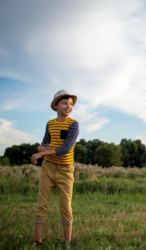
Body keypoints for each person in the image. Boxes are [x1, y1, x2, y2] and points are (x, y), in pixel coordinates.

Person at [31, 89, 79, 247]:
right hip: (48, 168)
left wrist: (40, 155)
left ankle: (67, 242)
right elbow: (45, 142)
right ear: (56, 106)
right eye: (65, 103)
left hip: (65, 170)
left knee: (65, 205)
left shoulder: (74, 125)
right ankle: (37, 241)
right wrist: (39, 149)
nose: (68, 106)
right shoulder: (50, 124)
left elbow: (65, 149)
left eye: (70, 104)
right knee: (42, 204)